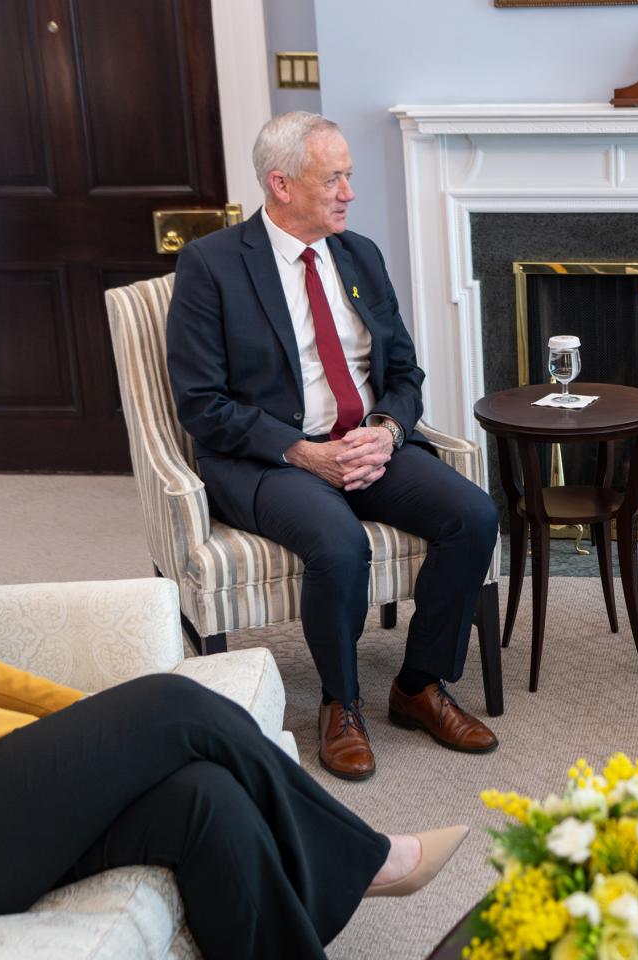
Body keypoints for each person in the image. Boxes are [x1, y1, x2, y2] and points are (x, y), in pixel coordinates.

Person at [0, 349, 466, 954]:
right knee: (170, 707)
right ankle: (367, 859)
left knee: (200, 796)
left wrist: (94, 721)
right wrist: (85, 744)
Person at [167, 111, 501, 781]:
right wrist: (301, 452)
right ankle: (340, 703)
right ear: (281, 184)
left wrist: (386, 430)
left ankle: (419, 684)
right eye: (335, 178)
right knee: (338, 543)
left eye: (350, 175)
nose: (350, 192)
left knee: (474, 516)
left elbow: (405, 374)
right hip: (268, 460)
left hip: (364, 445)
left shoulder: (360, 256)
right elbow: (202, 405)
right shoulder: (213, 265)